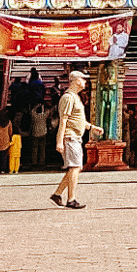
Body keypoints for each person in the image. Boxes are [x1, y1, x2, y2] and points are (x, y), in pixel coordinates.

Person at [52, 70, 88, 210]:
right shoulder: (68, 98)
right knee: (75, 167)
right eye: (83, 79)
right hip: (70, 136)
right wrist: (59, 141)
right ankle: (71, 199)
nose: (85, 82)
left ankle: (58, 194)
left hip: (75, 136)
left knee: (76, 168)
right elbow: (64, 120)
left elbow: (77, 119)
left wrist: (91, 127)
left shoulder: (75, 97)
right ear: (76, 80)